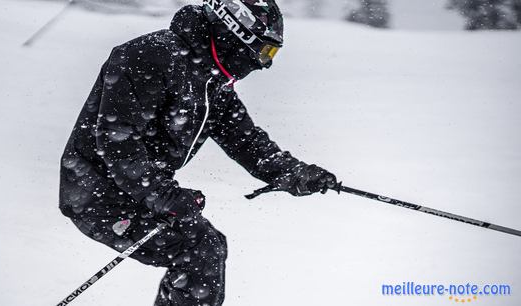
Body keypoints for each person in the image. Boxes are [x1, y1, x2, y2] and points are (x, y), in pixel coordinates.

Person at [59, 0, 337, 305]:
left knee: (206, 248)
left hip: (139, 190)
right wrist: (166, 197)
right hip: (96, 191)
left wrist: (295, 173)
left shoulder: (211, 81)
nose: (264, 63)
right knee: (199, 252)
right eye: (264, 51)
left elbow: (246, 141)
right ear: (236, 33)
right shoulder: (149, 56)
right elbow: (117, 142)